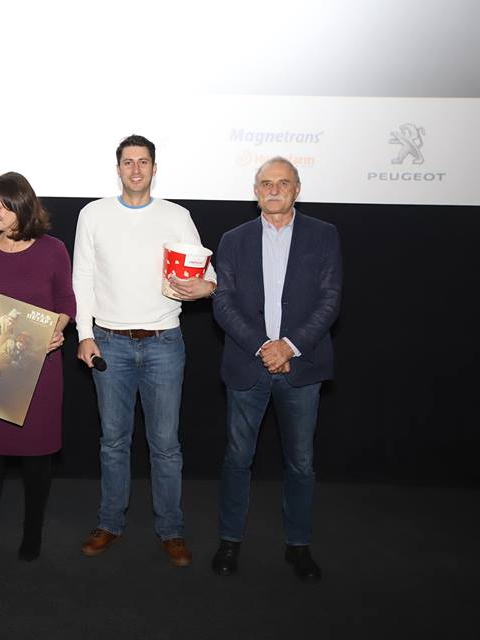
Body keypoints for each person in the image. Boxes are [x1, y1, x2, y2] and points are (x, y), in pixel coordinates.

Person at [72, 135, 216, 567]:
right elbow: (82, 277)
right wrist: (84, 334)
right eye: (128, 162)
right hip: (109, 343)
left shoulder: (177, 216)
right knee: (113, 442)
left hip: (164, 343)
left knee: (166, 445)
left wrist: (203, 289)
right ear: (117, 168)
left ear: (154, 168)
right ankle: (109, 523)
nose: (136, 169)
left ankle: (171, 530)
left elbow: (209, 276)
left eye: (144, 162)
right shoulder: (93, 214)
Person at [211, 157, 342, 583]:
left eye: (282, 183)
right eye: (266, 183)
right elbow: (222, 301)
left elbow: (330, 300)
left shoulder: (324, 235)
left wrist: (289, 346)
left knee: (300, 464)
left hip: (301, 367)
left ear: (296, 189)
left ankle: (298, 545)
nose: (273, 190)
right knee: (236, 459)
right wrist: (264, 346)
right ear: (255, 192)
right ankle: (229, 540)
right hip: (248, 365)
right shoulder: (233, 239)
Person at [0, 171, 75, 561]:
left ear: (20, 207)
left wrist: (57, 328)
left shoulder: (54, 249)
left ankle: (32, 533)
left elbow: (66, 302)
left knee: (36, 457)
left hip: (40, 369)